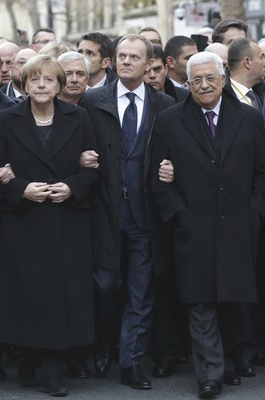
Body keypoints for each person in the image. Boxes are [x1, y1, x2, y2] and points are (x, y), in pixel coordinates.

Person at [151, 51, 265, 399]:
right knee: (200, 303)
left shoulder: (248, 117)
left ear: (222, 80)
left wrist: (254, 212)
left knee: (231, 298)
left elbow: (261, 171)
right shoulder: (170, 119)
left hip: (237, 225)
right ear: (187, 84)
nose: (203, 85)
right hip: (193, 227)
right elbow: (157, 179)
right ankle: (209, 375)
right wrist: (179, 216)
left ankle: (231, 362)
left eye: (210, 78)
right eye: (195, 80)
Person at [0, 53, 99, 397]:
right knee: (27, 293)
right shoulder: (7, 120)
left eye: (48, 80)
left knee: (60, 296)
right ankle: (28, 359)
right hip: (24, 222)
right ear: (23, 84)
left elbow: (93, 165)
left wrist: (72, 186)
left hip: (65, 221)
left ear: (59, 85)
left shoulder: (78, 116)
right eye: (34, 79)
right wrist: (21, 189)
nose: (41, 85)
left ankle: (52, 369)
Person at [78, 34, 175, 390]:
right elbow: (77, 146)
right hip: (104, 212)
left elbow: (175, 151)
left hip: (145, 215)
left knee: (141, 292)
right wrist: (82, 159)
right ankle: (103, 343)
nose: (127, 61)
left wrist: (171, 169)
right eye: (121, 56)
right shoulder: (92, 102)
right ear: (113, 61)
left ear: (149, 63)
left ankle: (130, 361)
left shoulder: (164, 105)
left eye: (135, 56)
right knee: (104, 286)